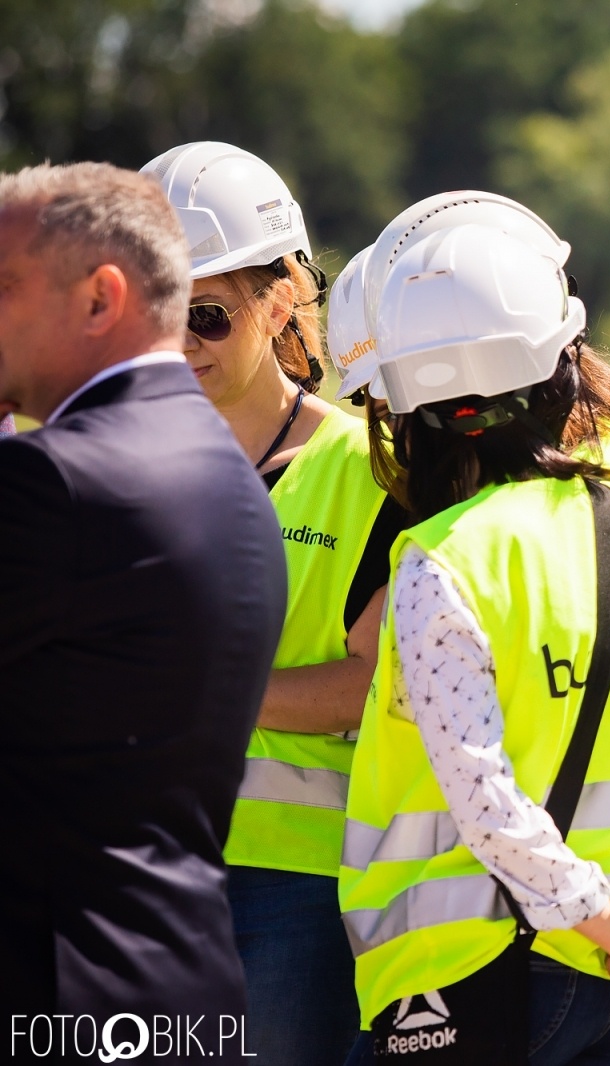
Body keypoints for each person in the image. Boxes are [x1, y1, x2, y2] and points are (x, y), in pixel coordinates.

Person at [338, 192, 610, 1065]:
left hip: (483, 978)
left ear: (410, 410)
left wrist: (606, 924)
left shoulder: (443, 560)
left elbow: (484, 801)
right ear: (564, 369)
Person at [0, 162, 285, 1057]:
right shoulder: (227, 469)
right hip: (182, 991)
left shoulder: (53, 482)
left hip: (53, 1000)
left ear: (101, 298)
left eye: (5, 287)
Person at [141, 141, 411, 1064]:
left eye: (207, 315)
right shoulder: (111, 462)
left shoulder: (369, 471)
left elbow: (378, 683)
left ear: (283, 297)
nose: (180, 341)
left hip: (295, 889)